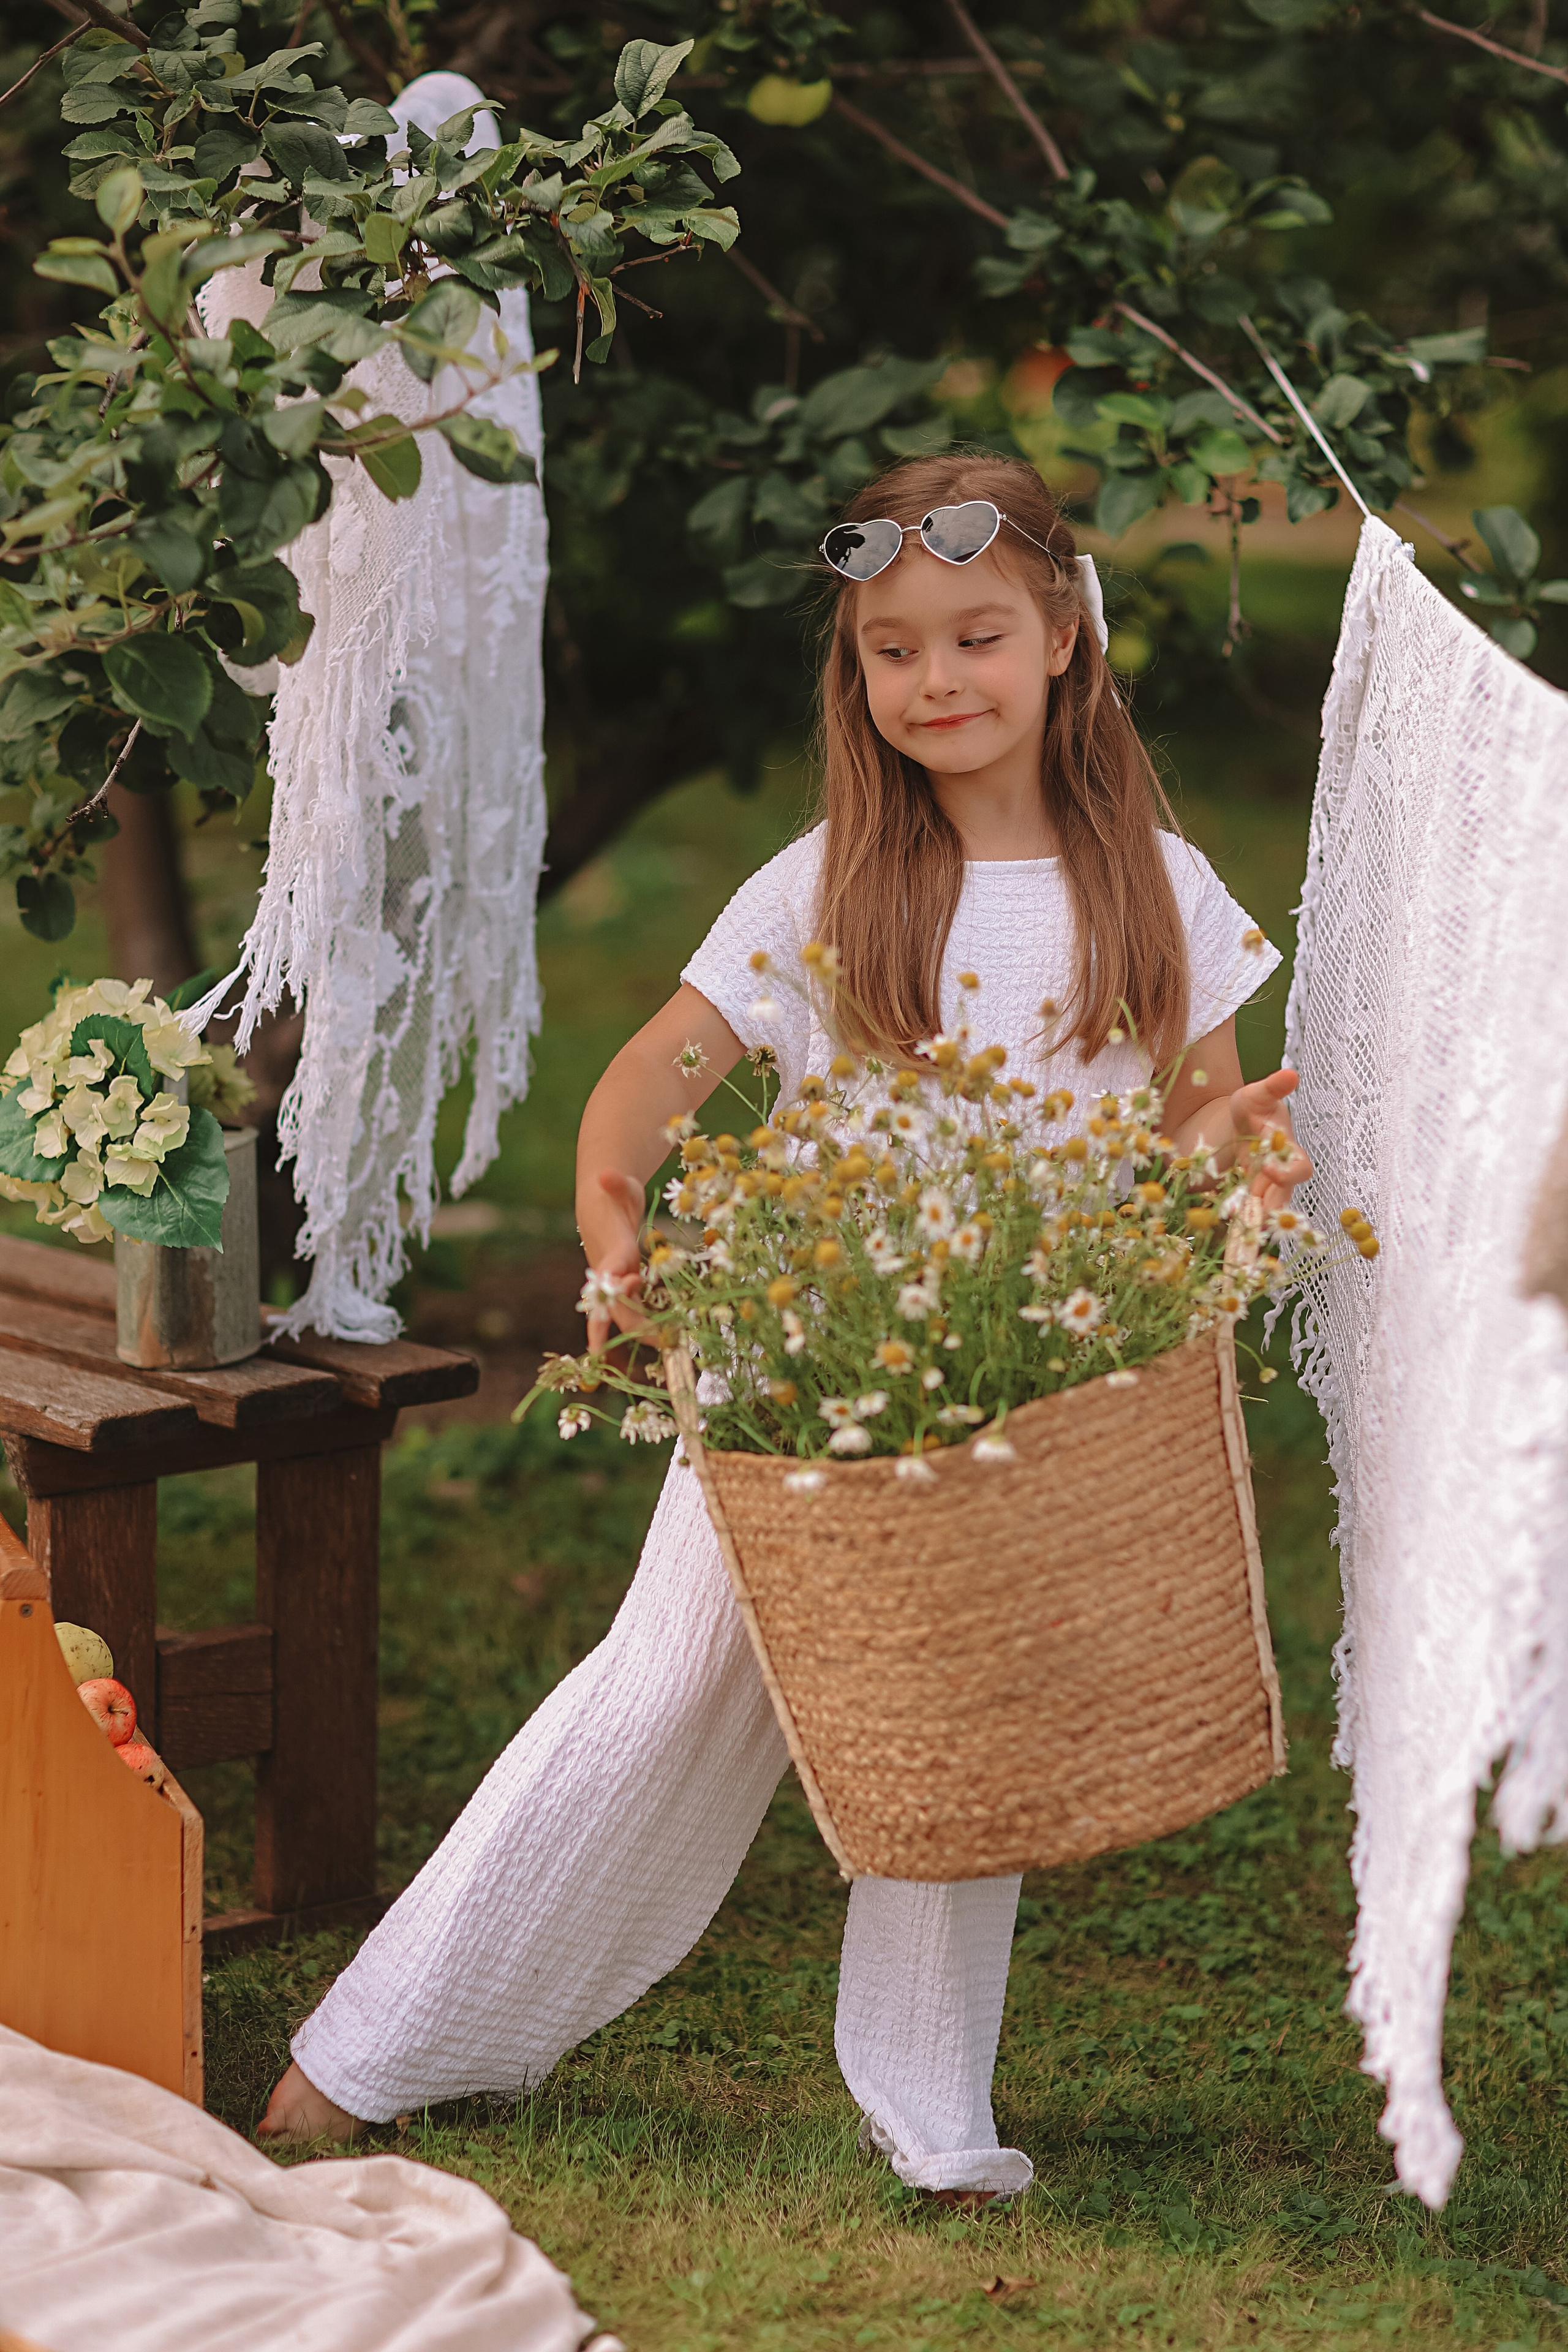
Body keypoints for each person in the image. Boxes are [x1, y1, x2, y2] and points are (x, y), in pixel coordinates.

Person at [259, 453, 1311, 2196]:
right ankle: (371, 2049)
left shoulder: (1167, 893)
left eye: (976, 637)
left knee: (955, 1738)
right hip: (798, 1378)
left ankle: (931, 2110)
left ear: (1067, 641)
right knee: (665, 1688)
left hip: (1016, 1379)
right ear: (859, 674)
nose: (938, 681)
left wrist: (1236, 1162)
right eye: (894, 652)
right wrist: (614, 1237)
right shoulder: (826, 885)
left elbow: (1191, 1131)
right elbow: (634, 1104)